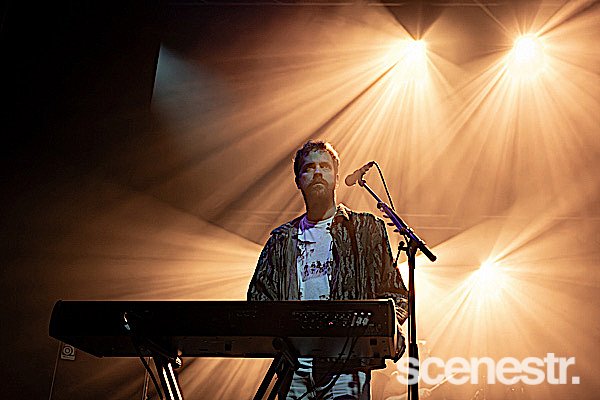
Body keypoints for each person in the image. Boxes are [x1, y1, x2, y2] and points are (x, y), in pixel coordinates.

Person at [247, 140, 409, 400]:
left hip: (348, 367)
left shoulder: (365, 230)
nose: (318, 172)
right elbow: (258, 299)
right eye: (309, 168)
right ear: (298, 181)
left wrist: (385, 326)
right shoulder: (281, 240)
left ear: (335, 176)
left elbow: (396, 293)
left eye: (324, 166)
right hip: (294, 366)